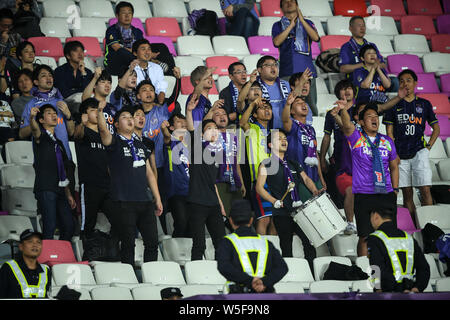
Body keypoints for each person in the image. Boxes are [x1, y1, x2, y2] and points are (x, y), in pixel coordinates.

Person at [97, 104, 163, 266]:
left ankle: (150, 276)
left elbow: (149, 173)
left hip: (145, 201)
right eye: (124, 117)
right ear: (117, 125)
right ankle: (130, 277)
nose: (129, 119)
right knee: (128, 243)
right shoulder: (113, 142)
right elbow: (104, 131)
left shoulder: (140, 144)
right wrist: (99, 112)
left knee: (152, 242)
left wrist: (158, 198)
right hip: (123, 200)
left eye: (130, 117)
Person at [334, 101, 399, 257]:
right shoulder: (357, 138)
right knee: (364, 236)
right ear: (361, 122)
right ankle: (365, 269)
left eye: (376, 116)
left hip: (386, 193)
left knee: (388, 235)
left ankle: (386, 267)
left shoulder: (387, 141)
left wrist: (395, 190)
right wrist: (343, 110)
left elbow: (394, 166)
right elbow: (347, 125)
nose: (374, 119)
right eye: (369, 116)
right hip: (364, 194)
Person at [383, 69, 441, 228]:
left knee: (425, 190)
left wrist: (427, 148)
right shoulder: (393, 104)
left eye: (408, 80)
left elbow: (436, 128)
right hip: (400, 154)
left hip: (419, 151)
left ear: (415, 83)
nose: (405, 83)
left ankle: (430, 227)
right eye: (401, 81)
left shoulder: (424, 104)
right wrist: (393, 154)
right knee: (407, 193)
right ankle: (416, 225)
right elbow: (389, 133)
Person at [255, 129, 318, 270]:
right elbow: (259, 188)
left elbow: (306, 179)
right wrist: (273, 201)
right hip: (282, 212)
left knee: (309, 242)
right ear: (270, 145)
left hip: (299, 211)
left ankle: (313, 273)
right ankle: (290, 277)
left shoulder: (293, 163)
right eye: (279, 138)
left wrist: (314, 191)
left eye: (285, 138)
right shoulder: (266, 164)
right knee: (286, 246)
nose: (284, 141)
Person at [186, 94, 227, 261]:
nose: (213, 131)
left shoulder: (217, 154)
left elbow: (214, 184)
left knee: (221, 243)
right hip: (197, 203)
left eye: (215, 129)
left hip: (213, 204)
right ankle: (196, 278)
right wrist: (189, 111)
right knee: (199, 244)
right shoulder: (197, 147)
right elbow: (190, 129)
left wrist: (221, 205)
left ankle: (220, 274)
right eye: (209, 128)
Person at [217, 199, 288, 293]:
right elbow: (282, 267)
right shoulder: (266, 243)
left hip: (239, 296)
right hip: (265, 294)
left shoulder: (227, 242)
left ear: (231, 220)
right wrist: (264, 281)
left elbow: (224, 267)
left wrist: (250, 281)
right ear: (251, 220)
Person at [30, 104, 76, 240]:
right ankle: (46, 258)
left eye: (55, 113)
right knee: (49, 226)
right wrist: (32, 118)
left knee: (69, 226)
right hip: (46, 187)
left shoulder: (60, 143)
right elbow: (34, 130)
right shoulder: (40, 136)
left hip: (61, 189)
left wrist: (68, 193)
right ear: (41, 120)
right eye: (49, 113)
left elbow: (63, 169)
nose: (54, 115)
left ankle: (60, 256)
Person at [74, 98, 115, 239]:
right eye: (93, 110)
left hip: (107, 185)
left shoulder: (105, 136)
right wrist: (82, 123)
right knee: (88, 224)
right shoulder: (82, 131)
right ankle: (86, 255)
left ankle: (111, 250)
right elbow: (77, 135)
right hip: (90, 185)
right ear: (85, 114)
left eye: (99, 111)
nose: (98, 113)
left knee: (118, 221)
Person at [272, 0, 319, 116]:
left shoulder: (307, 23)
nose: (289, 3)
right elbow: (277, 42)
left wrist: (301, 20)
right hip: (287, 71)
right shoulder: (277, 25)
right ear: (281, 7)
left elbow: (316, 37)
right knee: (288, 106)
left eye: (292, 1)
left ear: (297, 5)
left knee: (310, 106)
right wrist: (291, 26)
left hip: (307, 71)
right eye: (286, 2)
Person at [19, 64, 75, 161]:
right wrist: (35, 121)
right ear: (36, 82)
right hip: (44, 160)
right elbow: (21, 134)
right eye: (43, 76)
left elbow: (71, 132)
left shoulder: (61, 102)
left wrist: (69, 116)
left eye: (50, 75)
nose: (48, 78)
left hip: (65, 158)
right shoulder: (31, 105)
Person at [367, 208, 430, 293]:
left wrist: (378, 288)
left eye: (370, 217)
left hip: (388, 292)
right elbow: (424, 267)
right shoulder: (408, 237)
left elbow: (376, 267)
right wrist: (418, 287)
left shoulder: (375, 238)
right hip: (409, 290)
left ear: (376, 216)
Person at [282, 87, 326, 195]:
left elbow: (315, 155)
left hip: (315, 177)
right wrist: (288, 104)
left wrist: (321, 178)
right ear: (292, 111)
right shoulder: (292, 126)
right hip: (299, 179)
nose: (303, 105)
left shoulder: (311, 130)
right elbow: (285, 119)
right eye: (298, 103)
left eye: (304, 102)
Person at [239, 97, 274, 235]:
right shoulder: (252, 128)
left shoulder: (274, 132)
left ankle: (273, 249)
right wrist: (253, 104)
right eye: (262, 108)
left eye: (268, 108)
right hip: (261, 180)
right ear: (254, 114)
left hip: (275, 179)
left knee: (275, 219)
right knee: (264, 218)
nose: (267, 110)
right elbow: (242, 122)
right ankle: (262, 248)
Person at [205, 105, 246, 217]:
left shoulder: (233, 137)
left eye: (223, 114)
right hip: (219, 182)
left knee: (239, 216)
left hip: (234, 182)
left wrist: (241, 182)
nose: (221, 116)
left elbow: (236, 161)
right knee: (225, 215)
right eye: (217, 114)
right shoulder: (210, 136)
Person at [160, 113, 190, 238]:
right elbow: (166, 136)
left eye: (184, 121)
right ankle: (176, 251)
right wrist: (163, 128)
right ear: (172, 127)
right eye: (178, 121)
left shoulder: (191, 145)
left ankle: (189, 256)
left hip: (191, 191)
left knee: (192, 225)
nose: (183, 123)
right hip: (176, 191)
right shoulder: (171, 141)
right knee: (181, 222)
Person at [0, 229, 51, 299]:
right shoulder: (8, 268)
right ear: (21, 246)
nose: (35, 245)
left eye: (38, 242)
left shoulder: (46, 270)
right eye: (30, 242)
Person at [339, 16, 386, 81]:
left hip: (374, 78)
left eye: (363, 26)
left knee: (394, 81)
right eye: (359, 25)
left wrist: (372, 67)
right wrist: (365, 65)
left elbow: (383, 65)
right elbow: (343, 69)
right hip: (357, 79)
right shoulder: (346, 47)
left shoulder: (372, 45)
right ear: (351, 28)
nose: (362, 28)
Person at [103, 1, 143, 76]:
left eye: (129, 13)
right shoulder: (112, 30)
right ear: (117, 16)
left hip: (133, 61)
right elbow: (117, 47)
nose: (127, 16)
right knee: (122, 51)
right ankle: (144, 63)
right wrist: (139, 55)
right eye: (124, 13)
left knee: (161, 46)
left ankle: (168, 70)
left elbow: (142, 47)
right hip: (113, 64)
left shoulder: (137, 32)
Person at [255, 55, 290, 129]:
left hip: (283, 129)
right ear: (259, 70)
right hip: (262, 130)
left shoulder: (285, 84)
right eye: (268, 65)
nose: (273, 67)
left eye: (275, 64)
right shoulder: (254, 86)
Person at [132, 38, 167, 105]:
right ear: (135, 53)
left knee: (175, 105)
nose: (147, 52)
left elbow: (161, 89)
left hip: (156, 99)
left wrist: (159, 104)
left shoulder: (157, 67)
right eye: (143, 49)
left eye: (149, 49)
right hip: (139, 101)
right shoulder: (131, 69)